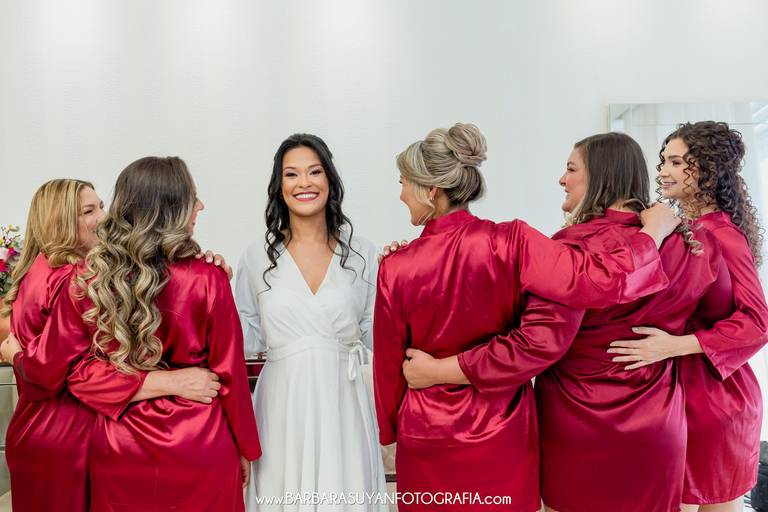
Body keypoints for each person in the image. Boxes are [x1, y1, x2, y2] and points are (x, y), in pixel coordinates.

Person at [373, 123, 680, 511]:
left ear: (431, 190)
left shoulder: (395, 267)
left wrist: (390, 429)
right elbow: (595, 280)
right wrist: (649, 237)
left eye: (403, 183)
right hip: (501, 431)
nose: (401, 194)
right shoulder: (513, 242)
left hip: (426, 431)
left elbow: (387, 366)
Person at [3, 158, 260, 511]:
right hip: (200, 440)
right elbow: (231, 374)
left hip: (121, 445)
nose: (200, 206)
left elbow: (76, 374)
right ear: (169, 207)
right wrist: (246, 448)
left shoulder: (88, 280)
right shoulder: (208, 278)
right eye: (192, 197)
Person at [610, 121, 768, 512]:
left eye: (677, 162)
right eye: (664, 160)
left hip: (716, 399)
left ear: (708, 171)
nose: (664, 171)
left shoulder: (721, 235)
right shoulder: (685, 230)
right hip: (679, 393)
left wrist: (673, 346)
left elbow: (759, 321)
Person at [236, 134, 387, 510]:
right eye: (292, 174)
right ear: (279, 187)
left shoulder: (363, 253)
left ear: (330, 180)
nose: (304, 182)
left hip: (344, 404)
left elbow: (381, 335)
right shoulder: (256, 257)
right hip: (281, 406)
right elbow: (240, 342)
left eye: (314, 171)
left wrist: (406, 272)